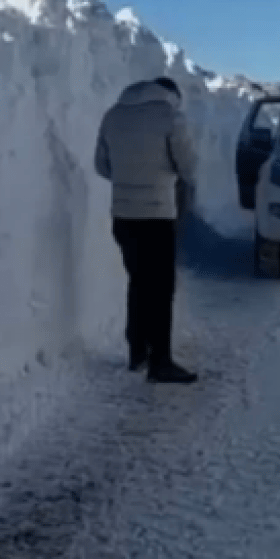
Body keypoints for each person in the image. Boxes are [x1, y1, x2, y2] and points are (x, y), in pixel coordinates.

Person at [94, 76, 199, 384]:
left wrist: (128, 178)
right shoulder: (170, 117)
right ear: (171, 94)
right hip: (157, 215)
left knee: (138, 280)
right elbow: (188, 166)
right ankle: (160, 361)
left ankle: (137, 351)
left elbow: (101, 165)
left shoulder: (113, 115)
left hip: (123, 215)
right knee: (161, 288)